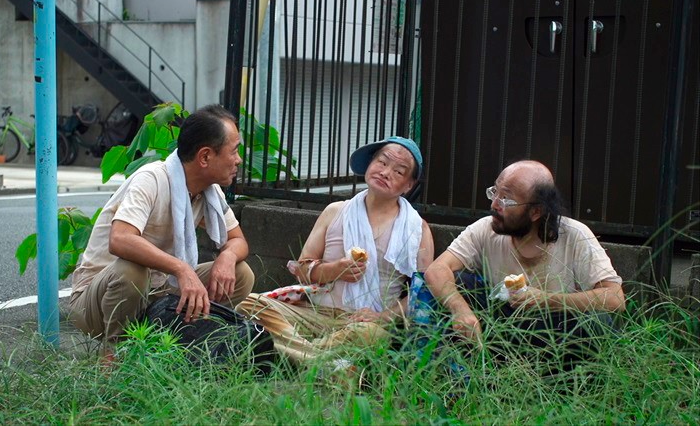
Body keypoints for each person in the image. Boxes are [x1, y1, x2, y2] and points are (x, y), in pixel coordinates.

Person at [69, 104, 255, 352]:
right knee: (132, 270)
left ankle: (189, 344)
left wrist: (228, 257)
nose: (238, 160)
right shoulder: (152, 179)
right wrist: (181, 269)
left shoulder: (208, 192)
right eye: (234, 151)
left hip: (158, 290)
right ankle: (114, 356)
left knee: (241, 273)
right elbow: (121, 239)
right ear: (205, 157)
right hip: (96, 300)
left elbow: (238, 241)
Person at [236, 137, 435, 363]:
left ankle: (293, 354)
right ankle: (318, 362)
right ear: (370, 164)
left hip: (363, 324)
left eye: (399, 172)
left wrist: (382, 318)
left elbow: (421, 291)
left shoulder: (417, 229)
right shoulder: (336, 211)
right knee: (250, 304)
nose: (386, 172)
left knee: (370, 336)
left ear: (409, 185)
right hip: (313, 313)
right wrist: (334, 270)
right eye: (382, 162)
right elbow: (302, 269)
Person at [423, 160, 625, 347]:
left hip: (556, 336)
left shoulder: (575, 235)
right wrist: (460, 310)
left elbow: (615, 298)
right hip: (501, 331)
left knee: (598, 321)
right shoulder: (485, 229)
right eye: (495, 192)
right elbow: (437, 269)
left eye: (506, 200)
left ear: (536, 212)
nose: (494, 205)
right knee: (457, 284)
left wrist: (546, 300)